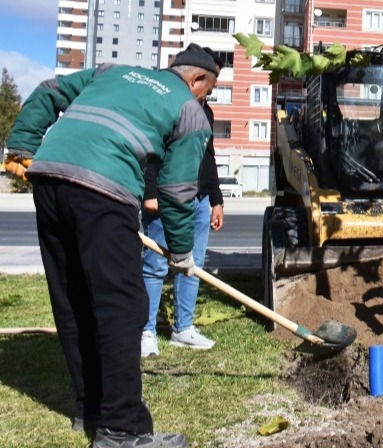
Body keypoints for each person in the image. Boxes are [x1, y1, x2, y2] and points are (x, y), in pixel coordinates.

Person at [4, 43, 220, 447]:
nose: (203, 99)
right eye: (206, 92)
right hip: (105, 189)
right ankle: (122, 430)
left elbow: (50, 90)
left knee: (74, 297)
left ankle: (91, 408)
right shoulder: (190, 111)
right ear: (196, 80)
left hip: (50, 176)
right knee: (122, 305)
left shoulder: (112, 71)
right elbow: (176, 192)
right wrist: (181, 253)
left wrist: (22, 146)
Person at [141, 67, 224, 356]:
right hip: (166, 198)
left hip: (199, 200)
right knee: (155, 265)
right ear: (194, 80)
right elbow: (150, 152)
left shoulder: (206, 113)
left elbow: (208, 157)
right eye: (208, 88)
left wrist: (216, 200)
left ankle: (183, 328)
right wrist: (149, 192)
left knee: (191, 265)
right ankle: (146, 331)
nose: (208, 95)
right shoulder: (166, 108)